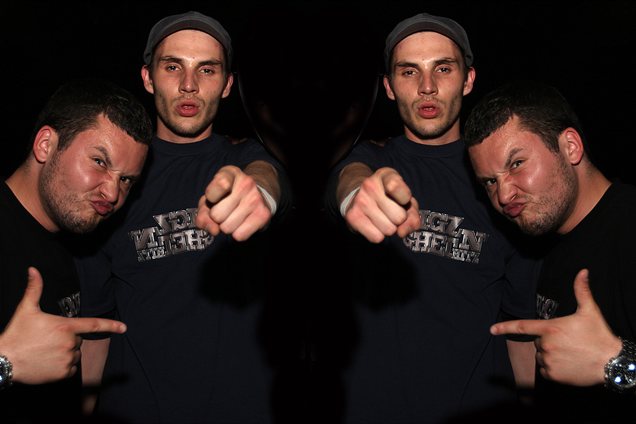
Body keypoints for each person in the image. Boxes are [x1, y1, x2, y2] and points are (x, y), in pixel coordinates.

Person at [325, 12, 540, 423]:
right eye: (409, 72)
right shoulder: (364, 160)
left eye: (443, 68)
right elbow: (346, 178)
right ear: (390, 87)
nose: (427, 86)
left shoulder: (501, 184)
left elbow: (520, 328)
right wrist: (356, 191)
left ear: (468, 80)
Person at [76, 11, 288, 423]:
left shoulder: (251, 158)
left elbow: (270, 176)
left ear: (226, 85)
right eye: (173, 67)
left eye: (206, 70)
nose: (189, 84)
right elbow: (95, 328)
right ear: (148, 78)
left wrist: (259, 189)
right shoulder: (114, 182)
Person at [464, 80, 636, 421]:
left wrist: (615, 363)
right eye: (490, 182)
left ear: (570, 147)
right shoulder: (546, 248)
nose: (503, 196)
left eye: (516, 164)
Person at [0, 77, 152, 422]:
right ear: (46, 145)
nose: (112, 194)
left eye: (126, 179)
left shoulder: (69, 250)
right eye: (99, 161)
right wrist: (6, 362)